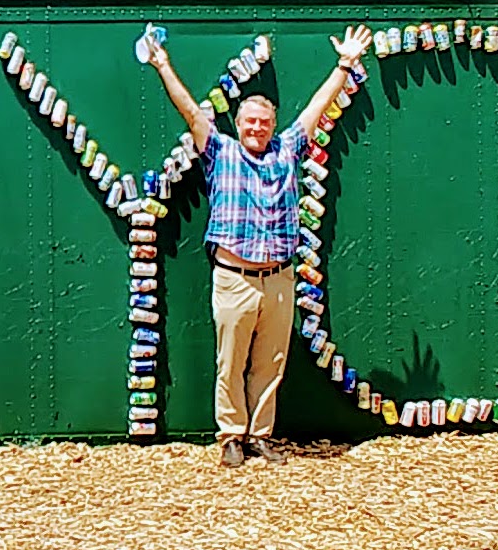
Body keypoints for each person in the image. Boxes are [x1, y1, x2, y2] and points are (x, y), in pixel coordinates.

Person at [145, 26, 373, 466]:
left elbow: (314, 109)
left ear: (272, 125)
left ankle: (260, 435)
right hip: (233, 277)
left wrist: (344, 65)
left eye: (264, 122)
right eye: (250, 121)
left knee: (271, 362)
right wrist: (162, 65)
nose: (257, 128)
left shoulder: (287, 150)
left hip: (280, 278)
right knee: (229, 362)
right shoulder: (220, 151)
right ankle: (231, 435)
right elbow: (190, 111)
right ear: (238, 123)